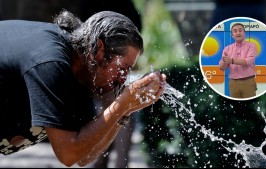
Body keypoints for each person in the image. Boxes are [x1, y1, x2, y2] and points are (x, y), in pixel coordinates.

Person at [0, 9, 167, 167]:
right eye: (122, 68)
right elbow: (68, 154)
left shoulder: (80, 75)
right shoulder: (51, 63)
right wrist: (122, 104)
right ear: (100, 49)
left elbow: (83, 156)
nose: (123, 78)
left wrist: (125, 111)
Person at [219, 23, 257, 98]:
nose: (238, 33)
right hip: (233, 82)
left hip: (248, 81)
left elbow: (248, 61)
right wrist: (224, 61)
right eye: (235, 31)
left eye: (240, 30)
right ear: (232, 35)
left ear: (244, 33)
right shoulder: (227, 49)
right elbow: (222, 68)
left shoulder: (251, 46)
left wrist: (231, 60)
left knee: (250, 104)